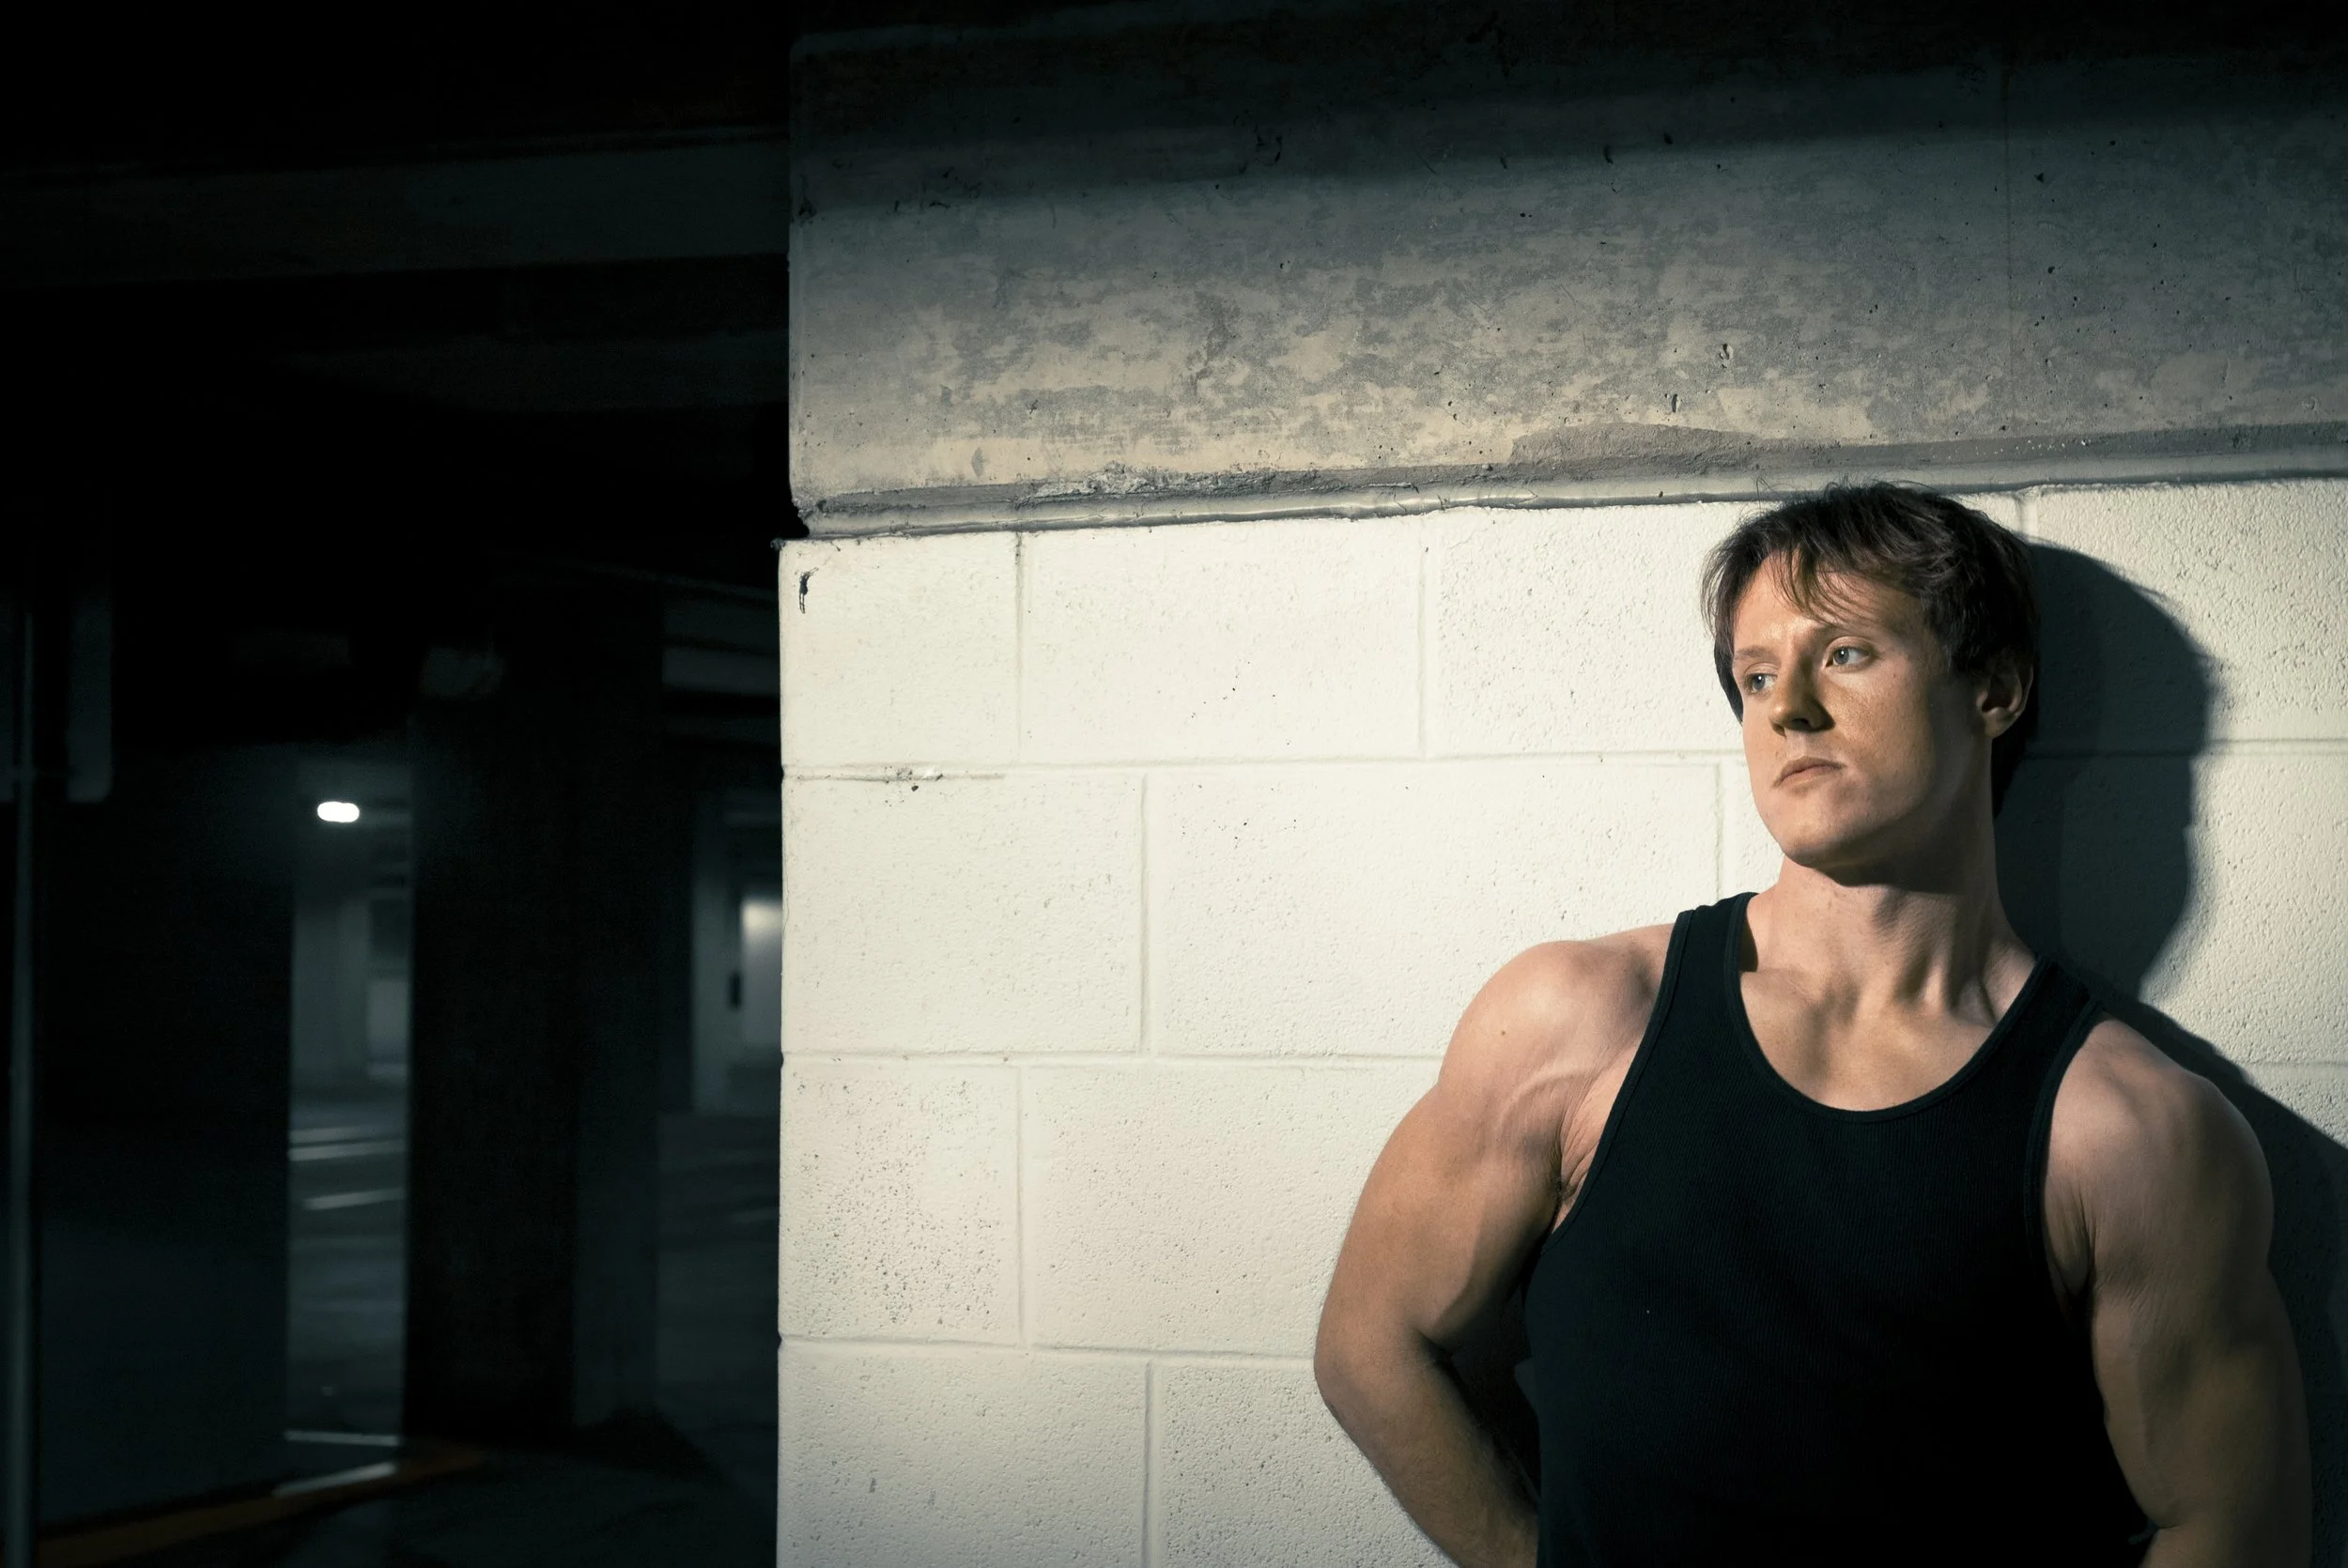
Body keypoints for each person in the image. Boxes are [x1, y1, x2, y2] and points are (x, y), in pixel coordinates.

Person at [1314, 484, 2311, 1567]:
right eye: (1754, 675)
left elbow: (2229, 1521)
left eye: (1844, 653)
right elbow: (1371, 1340)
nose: (1786, 707)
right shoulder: (1576, 1019)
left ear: (1993, 687)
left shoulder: (2131, 1131)